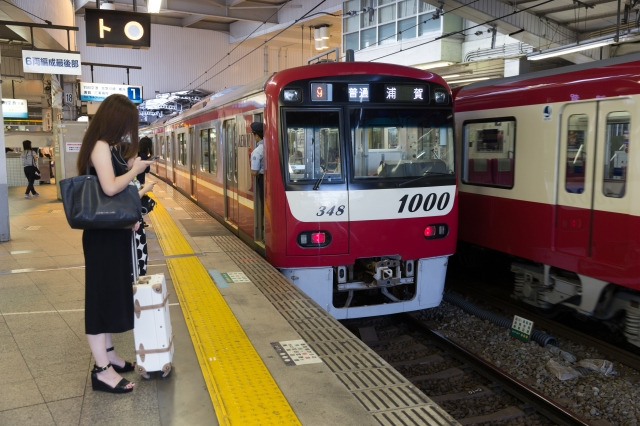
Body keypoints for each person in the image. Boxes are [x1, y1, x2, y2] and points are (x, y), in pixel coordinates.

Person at [76, 94, 155, 394]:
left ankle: (109, 355)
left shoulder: (106, 147)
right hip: (102, 236)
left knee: (108, 295)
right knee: (99, 300)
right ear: (115, 120)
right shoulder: (98, 146)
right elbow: (109, 188)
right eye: (126, 124)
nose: (128, 131)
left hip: (111, 233)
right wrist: (133, 171)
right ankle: (101, 371)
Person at [250, 122, 265, 241]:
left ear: (256, 135)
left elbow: (254, 172)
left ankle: (264, 231)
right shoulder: (273, 146)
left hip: (262, 180)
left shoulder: (258, 150)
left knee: (263, 204)